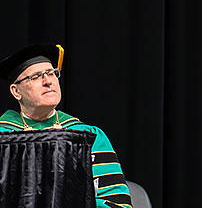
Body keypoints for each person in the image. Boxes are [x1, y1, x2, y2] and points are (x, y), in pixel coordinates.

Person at [0, 44, 132, 208]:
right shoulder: (4, 136)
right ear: (16, 91)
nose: (48, 81)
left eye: (51, 73)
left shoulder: (87, 136)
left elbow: (116, 202)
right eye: (35, 77)